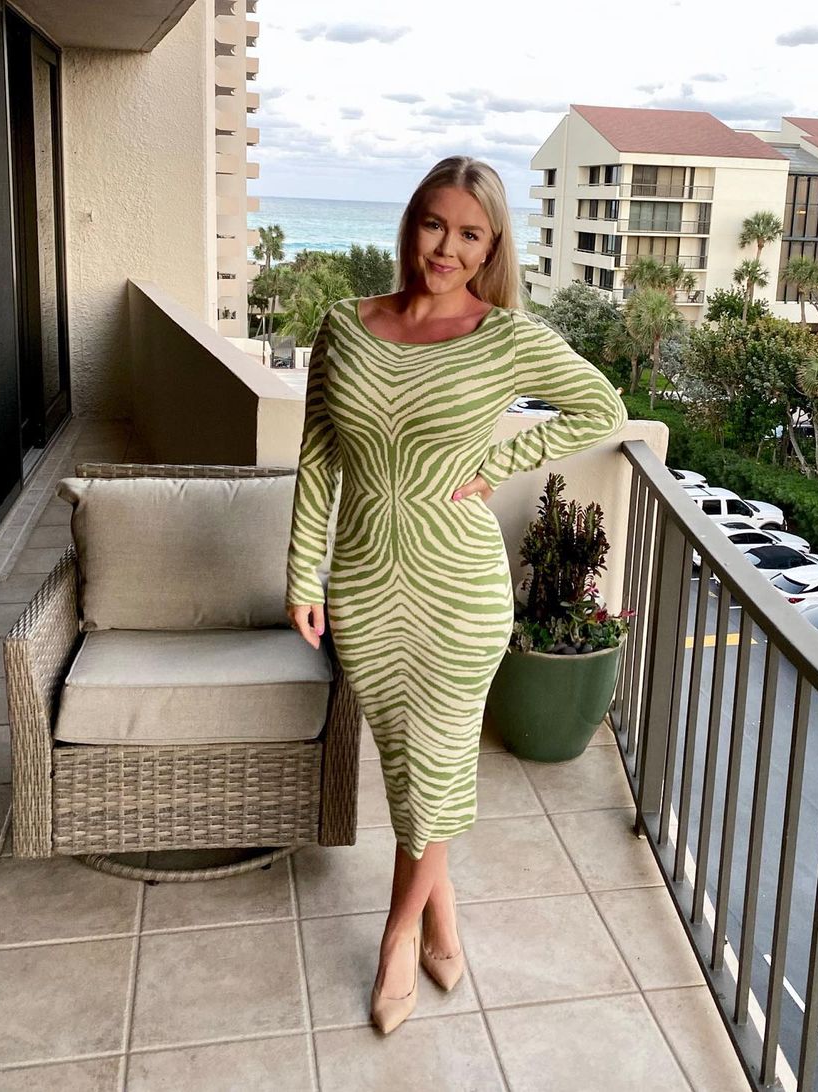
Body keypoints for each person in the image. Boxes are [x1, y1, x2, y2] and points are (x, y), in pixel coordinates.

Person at [286, 156, 627, 1035]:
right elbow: (319, 456)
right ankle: (442, 918)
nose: (448, 247)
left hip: (460, 590)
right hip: (364, 582)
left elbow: (601, 409)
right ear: (412, 224)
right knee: (409, 764)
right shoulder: (344, 325)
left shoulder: (504, 337)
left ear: (492, 246)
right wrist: (301, 573)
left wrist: (498, 461)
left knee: (433, 762)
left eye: (470, 234)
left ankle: (397, 936)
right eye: (435, 224)